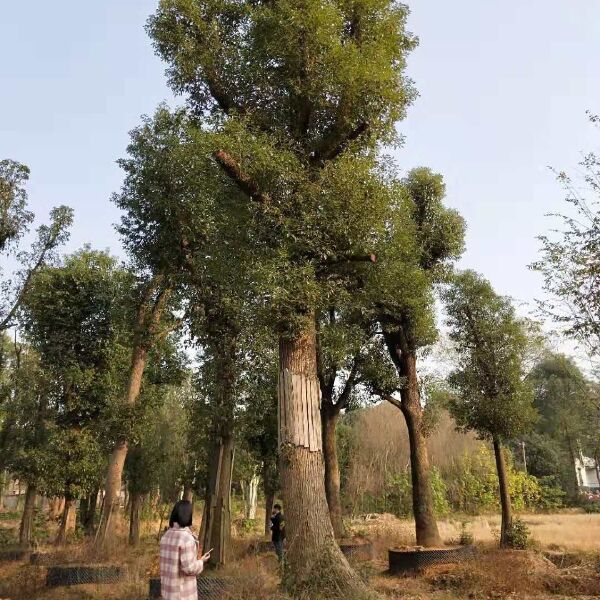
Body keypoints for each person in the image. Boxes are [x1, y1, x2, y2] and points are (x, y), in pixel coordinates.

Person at [160, 500, 211, 600]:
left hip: (167, 592)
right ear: (188, 516)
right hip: (183, 594)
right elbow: (189, 568)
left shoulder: (166, 536)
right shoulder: (186, 538)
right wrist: (201, 561)